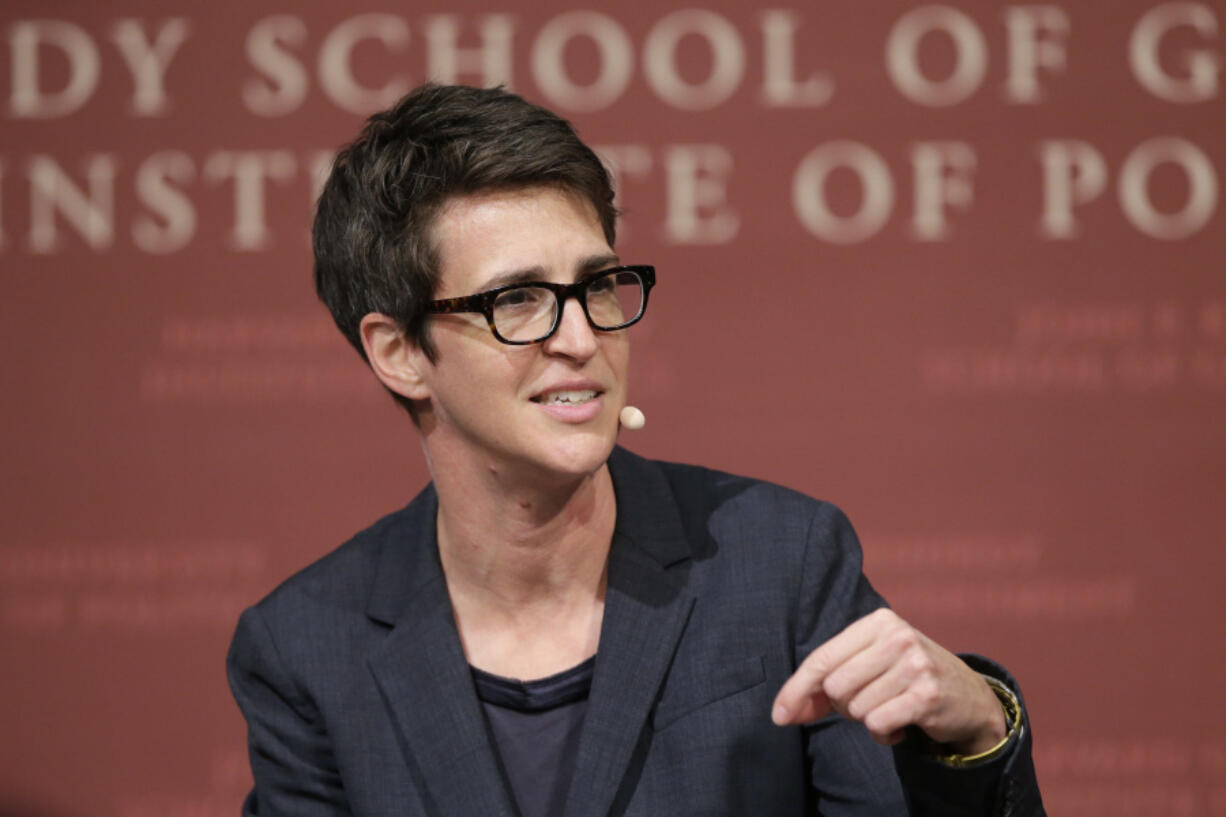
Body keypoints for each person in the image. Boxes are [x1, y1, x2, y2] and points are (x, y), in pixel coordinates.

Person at [227, 83, 1045, 817]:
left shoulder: (781, 564)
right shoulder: (307, 649)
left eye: (596, 286)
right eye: (519, 299)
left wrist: (978, 731)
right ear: (398, 351)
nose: (582, 338)